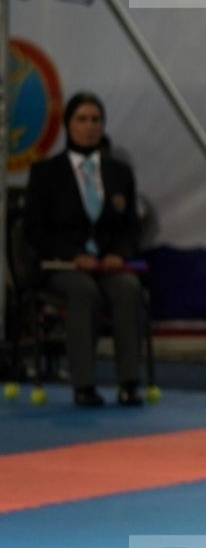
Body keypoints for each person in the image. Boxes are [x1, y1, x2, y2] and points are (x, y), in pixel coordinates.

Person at [21, 93, 146, 407]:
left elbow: (131, 226)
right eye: (82, 119)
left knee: (128, 289)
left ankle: (129, 382)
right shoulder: (46, 172)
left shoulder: (119, 172)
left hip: (106, 264)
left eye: (95, 120)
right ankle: (84, 384)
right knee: (83, 293)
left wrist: (119, 253)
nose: (90, 127)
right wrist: (72, 255)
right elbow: (33, 229)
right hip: (61, 266)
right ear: (68, 124)